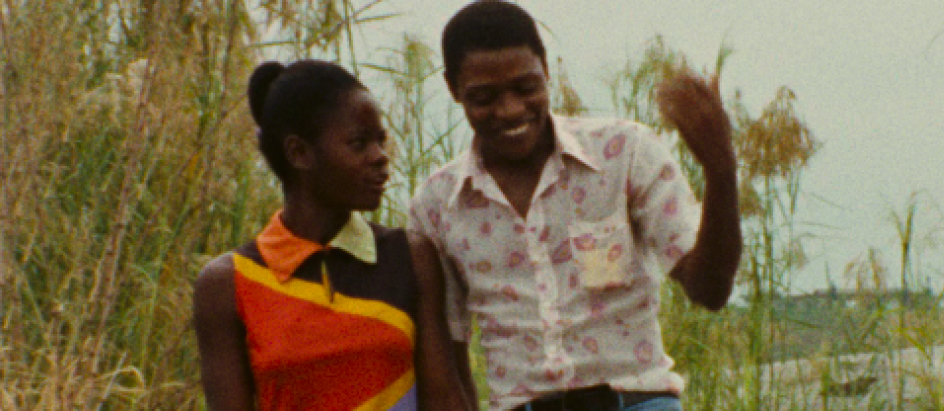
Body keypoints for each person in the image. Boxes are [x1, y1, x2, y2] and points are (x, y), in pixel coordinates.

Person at [407, 2, 743, 410]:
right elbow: (450, 352)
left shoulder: (624, 154)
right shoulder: (437, 203)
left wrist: (721, 172)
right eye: (484, 97)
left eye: (526, 87)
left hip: (636, 402)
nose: (510, 110)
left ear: (546, 69)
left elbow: (710, 290)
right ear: (453, 88)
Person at [193, 60, 473, 411]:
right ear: (299, 153)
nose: (381, 158)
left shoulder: (409, 257)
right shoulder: (228, 285)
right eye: (358, 143)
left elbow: (444, 398)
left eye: (380, 141)